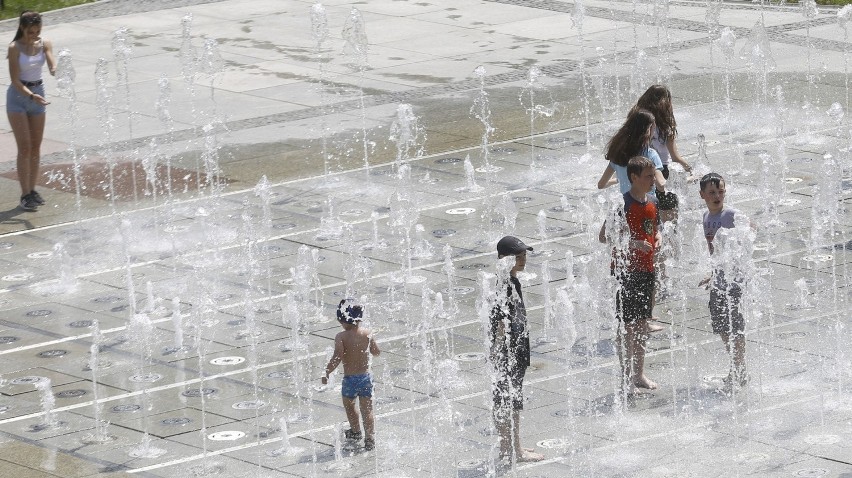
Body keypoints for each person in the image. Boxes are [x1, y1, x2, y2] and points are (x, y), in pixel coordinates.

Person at [597, 108, 667, 333]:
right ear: (646, 130)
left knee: (628, 262)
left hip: (626, 210)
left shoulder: (618, 154)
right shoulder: (649, 156)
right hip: (646, 208)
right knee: (649, 263)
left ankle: (634, 316)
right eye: (652, 127)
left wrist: (620, 182)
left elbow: (601, 184)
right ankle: (645, 316)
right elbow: (662, 183)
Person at [598, 156, 661, 393]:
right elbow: (604, 236)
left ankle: (639, 374)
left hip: (646, 270)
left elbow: (654, 230)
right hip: (626, 273)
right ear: (633, 178)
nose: (653, 180)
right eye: (648, 176)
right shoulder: (622, 206)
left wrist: (658, 238)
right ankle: (625, 377)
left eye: (653, 175)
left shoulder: (652, 201)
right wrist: (633, 244)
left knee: (643, 324)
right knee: (627, 326)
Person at [489, 235, 544, 466]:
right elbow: (499, 322)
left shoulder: (510, 281)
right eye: (517, 256)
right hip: (509, 353)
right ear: (503, 258)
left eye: (524, 255)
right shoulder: (505, 285)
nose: (523, 259)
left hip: (512, 352)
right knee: (510, 401)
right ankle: (515, 450)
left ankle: (508, 446)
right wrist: (500, 352)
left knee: (508, 400)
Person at [698, 173, 748, 389]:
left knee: (734, 325)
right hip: (719, 279)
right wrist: (713, 272)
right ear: (702, 195)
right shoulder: (706, 218)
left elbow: (751, 231)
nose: (717, 195)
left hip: (734, 281)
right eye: (712, 192)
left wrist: (740, 263)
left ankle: (740, 368)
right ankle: (736, 365)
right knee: (721, 325)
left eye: (720, 191)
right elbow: (715, 252)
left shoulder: (731, 215)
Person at [7, 10, 56, 212]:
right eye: (31, 31)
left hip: (39, 93)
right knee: (25, 147)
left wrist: (55, 69)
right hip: (19, 97)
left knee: (36, 146)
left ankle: (33, 190)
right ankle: (25, 194)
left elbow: (52, 60)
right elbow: (15, 80)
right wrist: (30, 96)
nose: (34, 35)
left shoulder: (44, 43)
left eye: (37, 31)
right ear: (22, 28)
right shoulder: (14, 48)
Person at [321, 299, 380, 450]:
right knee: (368, 409)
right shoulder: (367, 334)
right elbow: (376, 352)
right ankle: (370, 438)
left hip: (350, 380)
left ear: (344, 319)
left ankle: (356, 431)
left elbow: (337, 356)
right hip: (366, 378)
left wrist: (327, 371)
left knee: (350, 405)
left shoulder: (341, 337)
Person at [632, 85, 693, 179]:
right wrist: (691, 170)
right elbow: (675, 158)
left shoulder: (638, 121)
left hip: (639, 169)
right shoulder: (665, 126)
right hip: (662, 169)